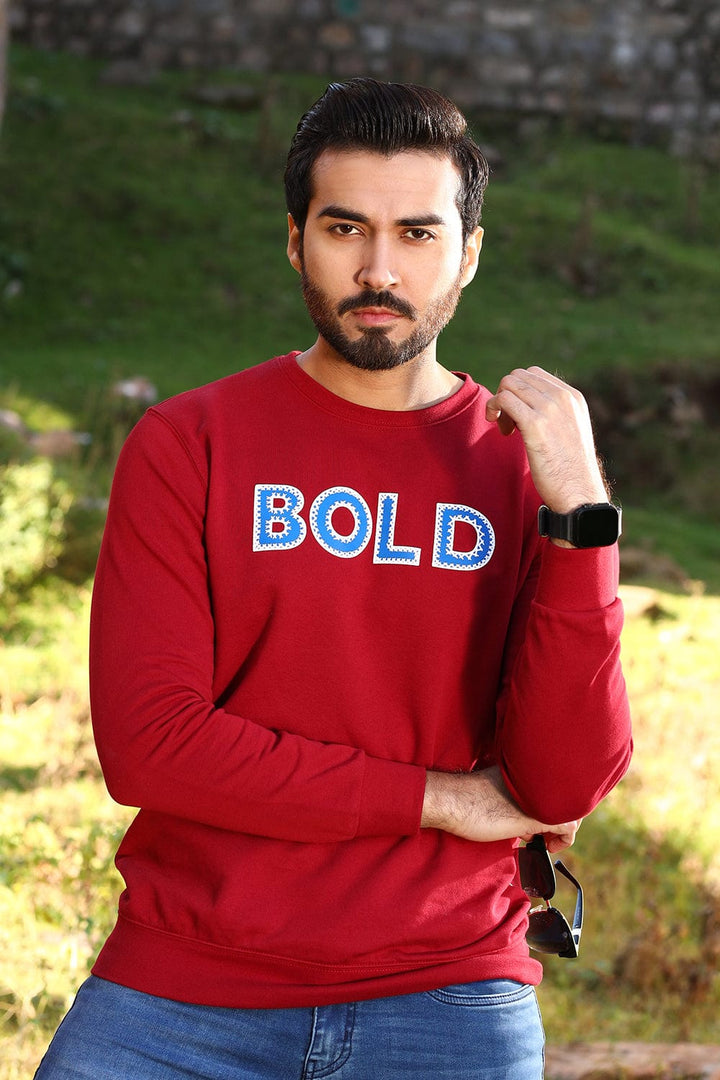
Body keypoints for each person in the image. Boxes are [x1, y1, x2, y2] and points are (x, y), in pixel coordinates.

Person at [36, 78, 632, 1079]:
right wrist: (441, 799)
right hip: (185, 988)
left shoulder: (516, 470)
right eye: (346, 228)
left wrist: (579, 517)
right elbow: (151, 748)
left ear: (469, 253)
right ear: (294, 239)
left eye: (418, 234)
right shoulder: (192, 442)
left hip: (448, 987)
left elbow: (562, 785)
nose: (380, 269)